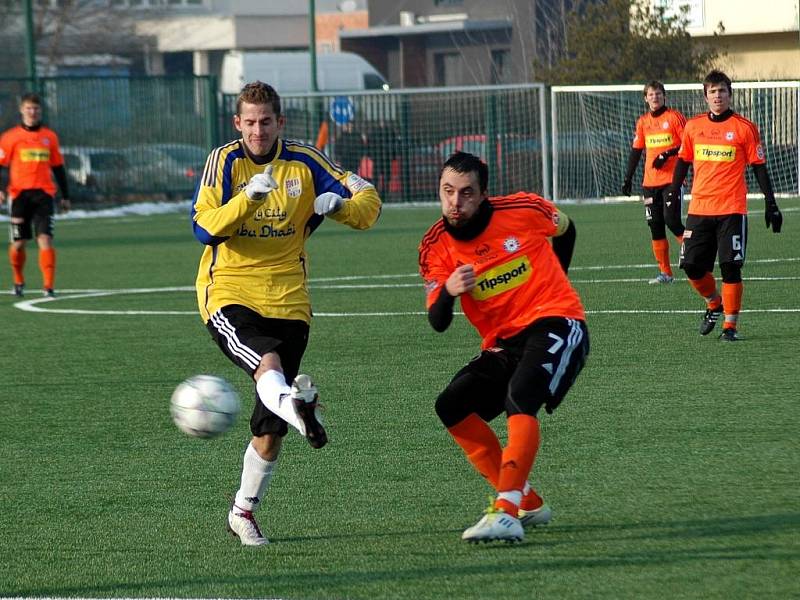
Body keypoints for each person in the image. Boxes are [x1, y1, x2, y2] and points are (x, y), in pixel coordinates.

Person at [191, 81, 381, 545]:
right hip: (228, 292)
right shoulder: (225, 162)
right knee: (267, 364)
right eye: (249, 122)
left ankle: (242, 510)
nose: (258, 131)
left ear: (280, 122)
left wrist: (341, 207)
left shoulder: (307, 160)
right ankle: (303, 413)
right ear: (238, 124)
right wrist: (247, 200)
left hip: (291, 301)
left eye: (266, 121)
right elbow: (202, 228)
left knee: (268, 430)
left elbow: (369, 203)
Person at [418, 151, 589, 543]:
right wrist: (447, 292)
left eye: (466, 193)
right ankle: (527, 501)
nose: (455, 203)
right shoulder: (435, 245)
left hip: (557, 320)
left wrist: (557, 281)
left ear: (483, 196)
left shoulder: (524, 209)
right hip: (504, 343)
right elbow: (438, 322)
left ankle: (506, 511)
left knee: (520, 396)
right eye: (447, 192)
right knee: (451, 405)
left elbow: (567, 229)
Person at [668, 70, 782, 341]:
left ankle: (730, 326)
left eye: (722, 91)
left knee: (730, 266)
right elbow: (683, 160)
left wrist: (771, 203)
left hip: (731, 209)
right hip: (700, 209)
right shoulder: (693, 127)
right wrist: (673, 194)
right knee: (691, 265)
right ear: (705, 96)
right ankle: (713, 302)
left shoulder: (744, 127)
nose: (717, 96)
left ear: (730, 94)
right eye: (712, 91)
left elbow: (758, 167)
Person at [0, 92, 70, 297]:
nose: (33, 112)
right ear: (22, 110)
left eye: (36, 109)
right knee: (19, 243)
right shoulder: (10, 137)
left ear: (41, 111)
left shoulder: (50, 137)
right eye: (29, 108)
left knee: (45, 240)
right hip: (19, 196)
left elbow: (58, 168)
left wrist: (65, 196)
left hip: (44, 195)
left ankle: (48, 287)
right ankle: (18, 280)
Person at [621, 80, 687, 284]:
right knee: (655, 225)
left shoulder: (674, 118)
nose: (655, 97)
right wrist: (628, 178)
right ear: (645, 98)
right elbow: (636, 150)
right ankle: (666, 273)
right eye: (651, 94)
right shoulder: (643, 122)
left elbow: (688, 143)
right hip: (649, 183)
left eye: (658, 93)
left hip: (672, 181)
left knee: (672, 221)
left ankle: (697, 256)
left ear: (664, 96)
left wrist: (667, 154)